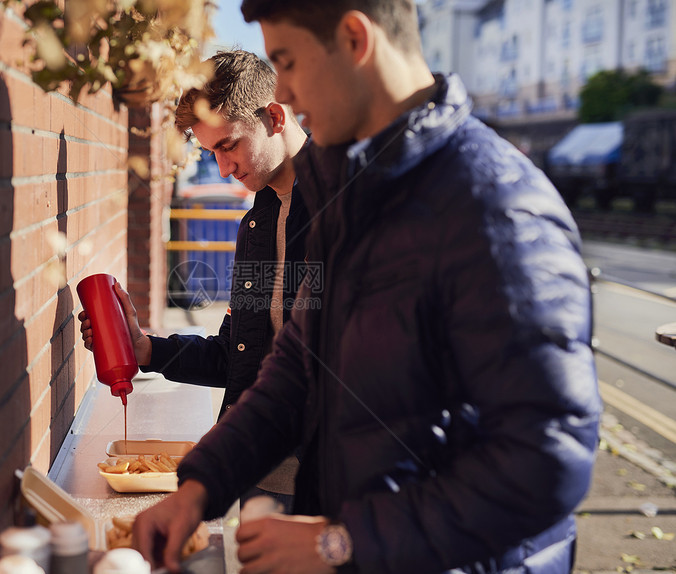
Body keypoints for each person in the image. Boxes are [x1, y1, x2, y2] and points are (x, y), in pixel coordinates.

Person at [131, 2, 602, 573]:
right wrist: (199, 488)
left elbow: (546, 462)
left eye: (288, 63)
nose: (287, 94)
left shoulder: (497, 207)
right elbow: (295, 366)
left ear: (355, 39)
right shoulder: (352, 198)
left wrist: (340, 542)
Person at [79, 50, 310, 510]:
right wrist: (146, 348)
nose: (223, 169)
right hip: (259, 477)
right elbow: (237, 356)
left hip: (334, 488)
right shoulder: (256, 226)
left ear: (275, 117)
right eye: (210, 153)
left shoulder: (347, 209)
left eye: (229, 145)